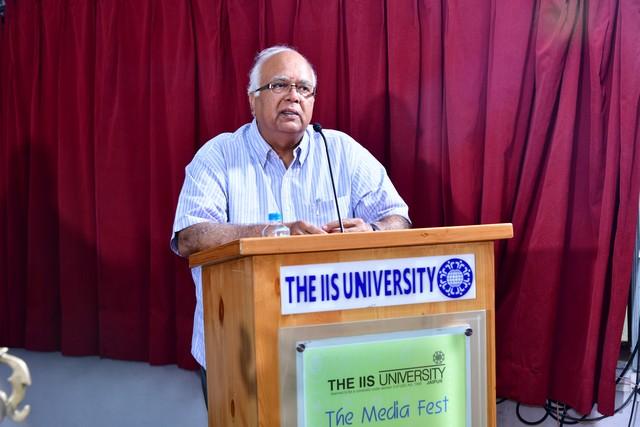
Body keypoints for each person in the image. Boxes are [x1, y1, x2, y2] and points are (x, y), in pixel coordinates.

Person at [170, 45, 411, 404]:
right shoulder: (218, 156)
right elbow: (190, 236)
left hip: (333, 350)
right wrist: (271, 234)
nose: (293, 96)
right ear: (252, 100)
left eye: (304, 89)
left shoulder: (340, 152)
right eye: (279, 85)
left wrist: (372, 232)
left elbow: (398, 217)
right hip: (240, 351)